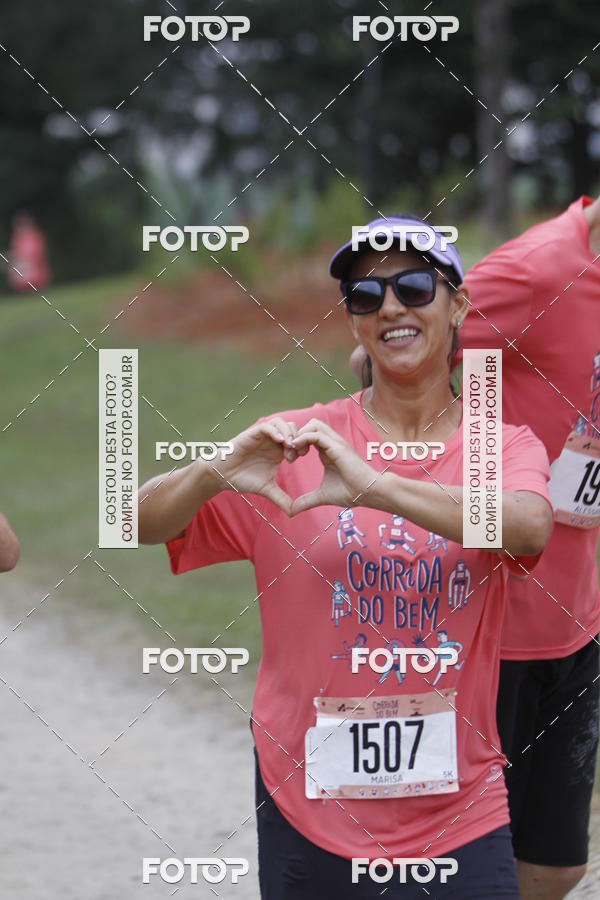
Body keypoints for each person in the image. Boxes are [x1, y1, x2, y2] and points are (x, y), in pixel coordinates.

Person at [138, 217, 553, 899]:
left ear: (459, 305)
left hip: (460, 811)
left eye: (415, 286)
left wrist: (376, 487)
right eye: (365, 295)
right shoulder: (301, 442)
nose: (391, 306)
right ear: (354, 320)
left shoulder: (500, 445)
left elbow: (529, 526)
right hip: (310, 805)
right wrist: (212, 471)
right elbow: (140, 519)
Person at [351, 200, 600, 900]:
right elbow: (381, 349)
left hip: (574, 620)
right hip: (484, 630)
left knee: (554, 868)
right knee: (443, 862)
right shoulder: (540, 269)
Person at [7, 212, 51, 292]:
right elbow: (16, 250)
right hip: (23, 262)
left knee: (35, 275)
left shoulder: (35, 234)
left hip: (34, 261)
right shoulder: (17, 237)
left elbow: (39, 248)